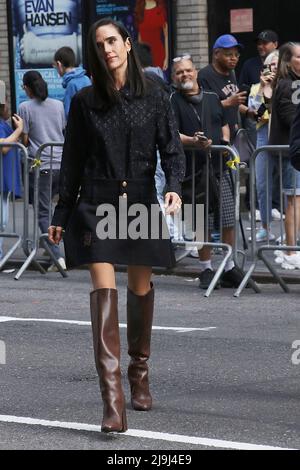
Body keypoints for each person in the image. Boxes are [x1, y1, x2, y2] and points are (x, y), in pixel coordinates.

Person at [48, 18, 185, 433]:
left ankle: (138, 373)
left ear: (127, 44)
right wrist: (61, 214)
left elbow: (172, 149)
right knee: (102, 292)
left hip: (140, 200)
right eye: (99, 44)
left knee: (139, 289)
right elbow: (71, 161)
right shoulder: (86, 101)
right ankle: (113, 402)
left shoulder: (157, 95)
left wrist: (175, 188)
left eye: (113, 40)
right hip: (96, 201)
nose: (107, 48)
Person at [171, 55, 245, 289]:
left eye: (188, 71)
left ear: (195, 72)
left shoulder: (213, 98)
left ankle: (229, 266)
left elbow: (223, 122)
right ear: (174, 77)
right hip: (193, 171)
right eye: (179, 72)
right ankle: (206, 268)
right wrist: (193, 141)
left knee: (227, 219)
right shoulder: (172, 100)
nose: (185, 75)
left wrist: (223, 142)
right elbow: (171, 135)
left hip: (219, 168)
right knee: (201, 221)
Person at [18, 71, 66, 272]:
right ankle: (50, 245)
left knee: (42, 213)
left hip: (41, 166)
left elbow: (26, 139)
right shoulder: (59, 105)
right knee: (54, 210)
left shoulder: (24, 107)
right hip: (61, 163)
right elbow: (62, 130)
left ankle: (57, 255)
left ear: (27, 88)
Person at [269, 42, 300, 269]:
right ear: (288, 61)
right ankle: (290, 251)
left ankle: (291, 246)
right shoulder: (291, 85)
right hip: (291, 153)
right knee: (294, 200)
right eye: (299, 57)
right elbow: (292, 120)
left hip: (291, 151)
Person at [248, 50, 279, 242]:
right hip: (263, 137)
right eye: (272, 65)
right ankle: (265, 227)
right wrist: (263, 87)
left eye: (278, 64)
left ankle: (293, 232)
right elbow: (257, 112)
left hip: (285, 137)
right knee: (262, 184)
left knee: (292, 188)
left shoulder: (291, 85)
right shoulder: (256, 87)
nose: (275, 69)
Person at [0, 83, 23, 262]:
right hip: (2, 180)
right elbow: (4, 147)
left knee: (3, 221)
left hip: (4, 181)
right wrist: (19, 130)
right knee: (1, 221)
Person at [53, 46, 91, 119]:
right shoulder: (86, 78)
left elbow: (68, 113)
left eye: (55, 66)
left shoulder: (71, 85)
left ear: (59, 64)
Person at [134, 0, 169, 70]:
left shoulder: (160, 9)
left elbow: (166, 36)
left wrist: (166, 58)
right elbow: (139, 38)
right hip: (144, 54)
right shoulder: (139, 10)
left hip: (159, 53)